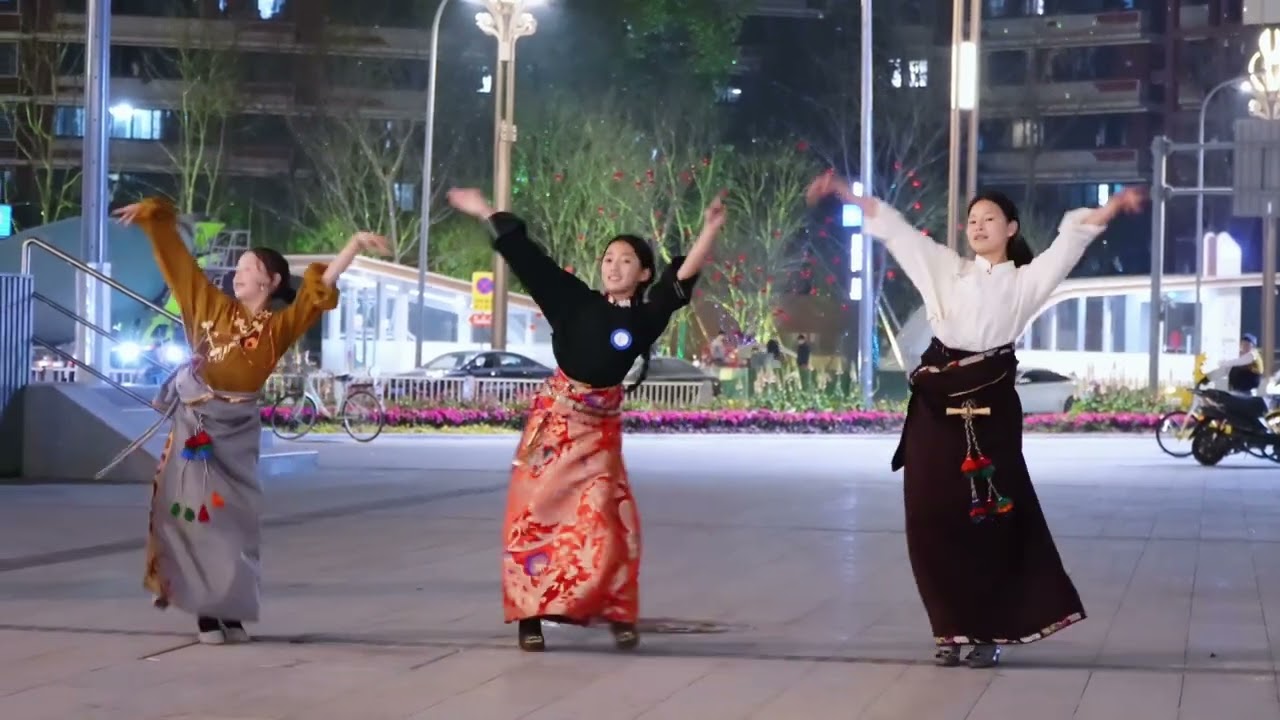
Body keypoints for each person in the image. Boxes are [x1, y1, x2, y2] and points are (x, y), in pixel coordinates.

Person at [807, 173, 1144, 668]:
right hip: (935, 410)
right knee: (931, 520)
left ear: (1011, 228)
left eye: (989, 219)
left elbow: (1070, 241)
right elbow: (896, 230)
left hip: (991, 413)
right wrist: (844, 192)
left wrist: (1112, 206)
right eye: (972, 220)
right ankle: (948, 629)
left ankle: (987, 631)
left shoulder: (1027, 281)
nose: (978, 226)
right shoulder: (946, 269)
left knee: (989, 518)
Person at [100, 197, 389, 645]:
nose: (238, 273)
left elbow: (322, 287)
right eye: (237, 267)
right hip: (197, 428)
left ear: (271, 282)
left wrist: (352, 245)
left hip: (238, 434)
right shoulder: (209, 307)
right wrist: (156, 219)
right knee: (195, 517)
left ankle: (229, 609)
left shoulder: (278, 327)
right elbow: (179, 264)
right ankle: (205, 613)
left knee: (235, 524)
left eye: (249, 268)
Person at [446, 187, 724, 652]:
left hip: (598, 434)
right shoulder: (573, 300)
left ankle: (616, 613)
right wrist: (482, 209)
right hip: (555, 426)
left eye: (626, 261)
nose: (614, 267)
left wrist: (711, 228)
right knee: (533, 520)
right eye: (608, 259)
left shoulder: (646, 317)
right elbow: (528, 258)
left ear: (643, 273)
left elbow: (681, 279)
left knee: (607, 523)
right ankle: (530, 617)